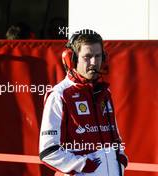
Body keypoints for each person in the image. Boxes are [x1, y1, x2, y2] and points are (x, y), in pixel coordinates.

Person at [39, 29, 128, 176]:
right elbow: (48, 151)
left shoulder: (104, 93)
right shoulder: (59, 95)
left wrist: (121, 162)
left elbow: (116, 139)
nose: (94, 62)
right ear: (72, 59)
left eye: (98, 56)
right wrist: (83, 165)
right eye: (87, 56)